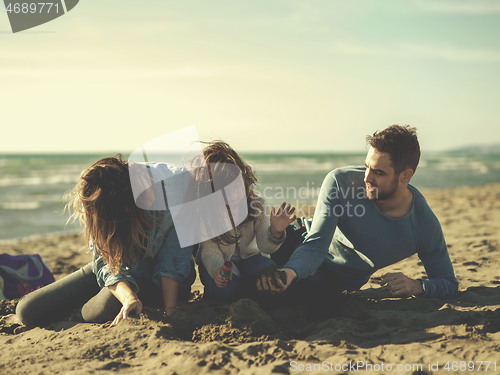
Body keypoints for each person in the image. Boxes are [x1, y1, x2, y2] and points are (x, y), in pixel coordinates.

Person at [258, 125, 459, 299]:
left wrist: (418, 286)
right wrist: (291, 271)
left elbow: (448, 283)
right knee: (251, 270)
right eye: (366, 167)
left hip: (333, 283)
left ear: (405, 176)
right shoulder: (341, 182)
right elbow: (315, 245)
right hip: (295, 242)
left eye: (378, 172)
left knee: (296, 292)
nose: (367, 178)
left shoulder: (422, 224)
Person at [16, 155, 196, 327]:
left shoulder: (177, 189)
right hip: (117, 265)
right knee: (27, 311)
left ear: (127, 209)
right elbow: (105, 262)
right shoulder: (98, 194)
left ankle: (73, 318)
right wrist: (129, 297)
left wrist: (170, 311)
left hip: (157, 283)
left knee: (110, 303)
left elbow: (172, 262)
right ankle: (77, 311)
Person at [196, 141, 296, 301]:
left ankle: (248, 290)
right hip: (220, 263)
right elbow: (209, 251)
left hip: (252, 259)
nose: (235, 193)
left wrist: (275, 232)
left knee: (269, 274)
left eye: (238, 185)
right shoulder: (206, 212)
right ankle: (241, 290)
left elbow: (266, 246)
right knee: (225, 290)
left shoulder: (257, 204)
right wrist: (216, 270)